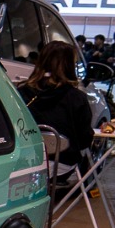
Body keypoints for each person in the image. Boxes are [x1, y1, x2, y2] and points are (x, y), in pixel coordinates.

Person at [18, 41, 94, 189]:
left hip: (24, 163)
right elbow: (84, 140)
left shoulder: (21, 93)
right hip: (61, 164)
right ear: (69, 66)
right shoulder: (77, 97)